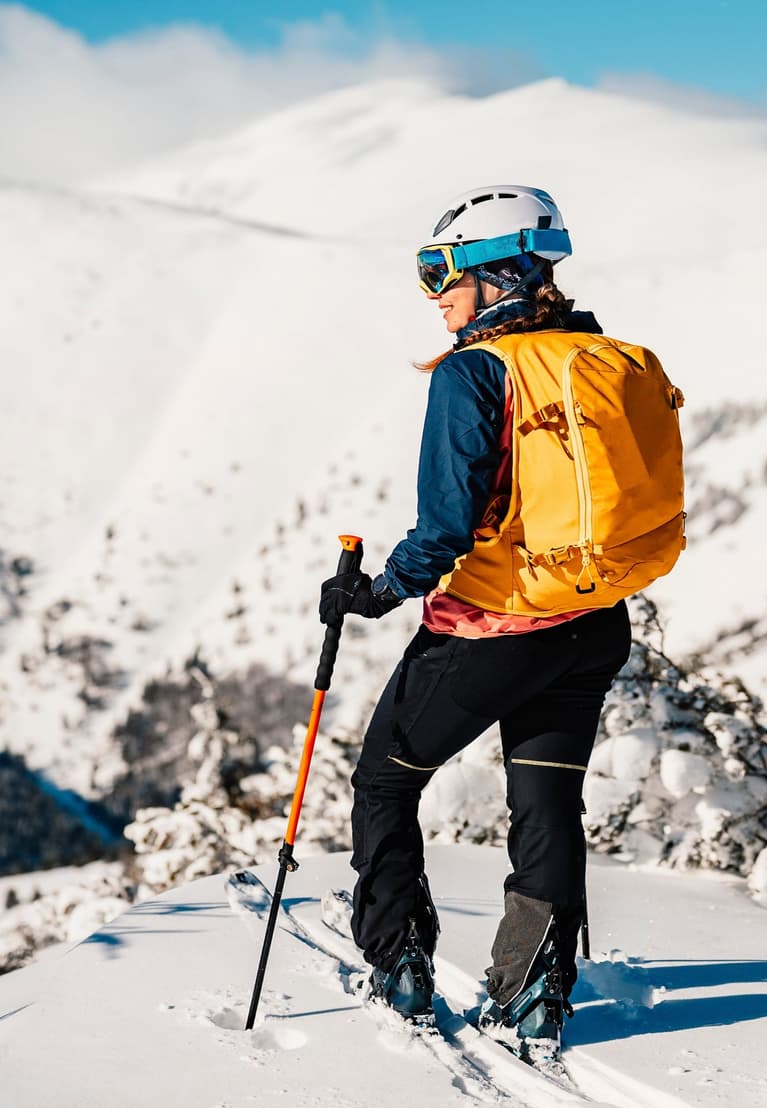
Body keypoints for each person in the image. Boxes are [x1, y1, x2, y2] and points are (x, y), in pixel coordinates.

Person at [318, 185, 687, 1049]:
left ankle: (400, 964)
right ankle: (534, 992)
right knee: (547, 800)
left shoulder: (476, 372)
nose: (432, 291)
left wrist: (376, 591)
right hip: (594, 624)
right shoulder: (599, 358)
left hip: (494, 629)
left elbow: (445, 525)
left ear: (500, 274)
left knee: (385, 780)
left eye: (442, 269)